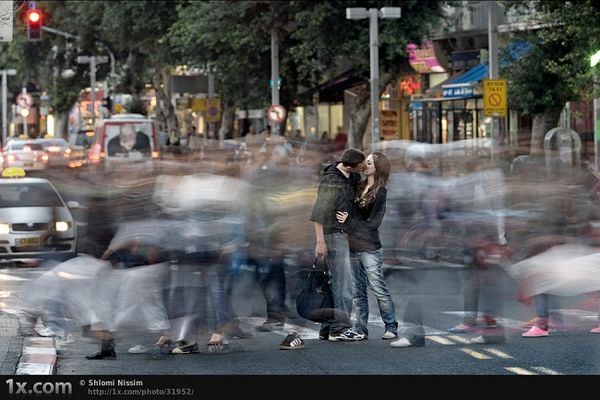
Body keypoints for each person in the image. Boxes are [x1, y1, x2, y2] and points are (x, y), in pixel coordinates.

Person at [336, 152, 398, 340]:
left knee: (378, 287)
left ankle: (391, 326)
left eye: (369, 162)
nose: (365, 164)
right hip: (353, 245)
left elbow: (373, 224)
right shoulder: (359, 185)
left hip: (370, 247)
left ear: (377, 167)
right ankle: (360, 329)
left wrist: (350, 221)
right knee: (357, 291)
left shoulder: (380, 192)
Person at [310, 147, 366, 341]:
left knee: (336, 283)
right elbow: (318, 213)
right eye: (362, 165)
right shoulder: (331, 180)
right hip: (332, 235)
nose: (365, 167)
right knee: (343, 284)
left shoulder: (351, 178)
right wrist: (320, 242)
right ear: (351, 166)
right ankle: (340, 328)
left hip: (343, 234)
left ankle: (328, 327)